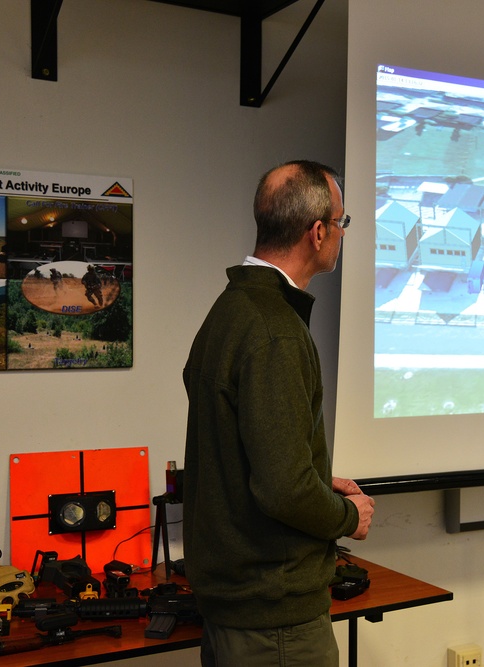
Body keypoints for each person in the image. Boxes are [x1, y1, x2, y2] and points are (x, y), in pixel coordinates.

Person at [182, 160, 373, 667]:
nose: (341, 234)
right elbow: (283, 489)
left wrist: (314, 480)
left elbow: (253, 458)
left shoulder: (230, 311)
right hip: (275, 624)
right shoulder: (276, 332)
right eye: (342, 223)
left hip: (239, 613)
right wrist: (348, 516)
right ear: (317, 232)